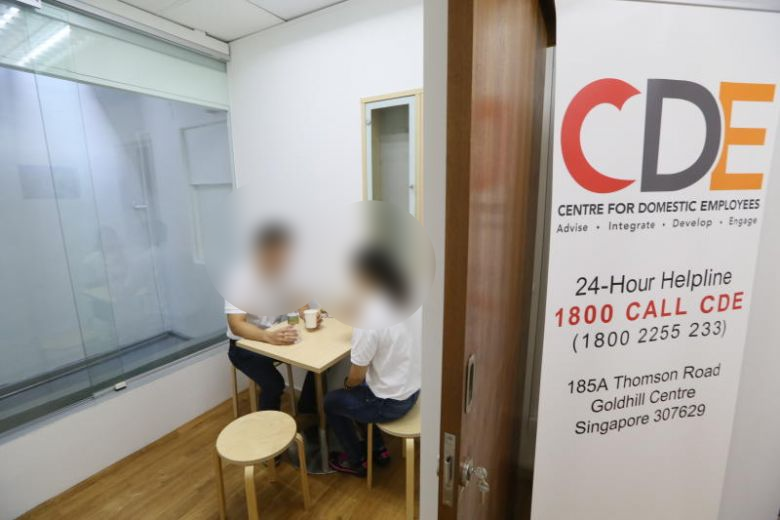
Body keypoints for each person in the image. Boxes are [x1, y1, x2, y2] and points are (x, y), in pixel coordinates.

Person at [324, 246, 421, 476]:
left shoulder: (369, 318)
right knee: (362, 392)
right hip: (413, 391)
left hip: (390, 403)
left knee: (332, 401)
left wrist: (347, 386)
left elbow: (356, 377)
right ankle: (378, 448)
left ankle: (357, 461)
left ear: (366, 276)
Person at [225, 223, 318, 413]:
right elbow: (236, 325)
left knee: (319, 360)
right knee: (274, 384)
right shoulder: (240, 278)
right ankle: (268, 429)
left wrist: (310, 315)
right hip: (244, 345)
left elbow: (300, 302)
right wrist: (267, 337)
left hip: (273, 338)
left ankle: (307, 412)